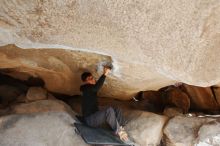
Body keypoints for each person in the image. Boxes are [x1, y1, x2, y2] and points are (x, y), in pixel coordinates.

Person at [80, 67, 129, 142]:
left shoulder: (90, 90)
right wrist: (105, 73)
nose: (93, 79)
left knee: (116, 109)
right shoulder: (86, 88)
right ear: (85, 82)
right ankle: (119, 132)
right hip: (89, 120)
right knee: (108, 111)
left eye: (92, 77)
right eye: (90, 79)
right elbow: (96, 87)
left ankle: (120, 127)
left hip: (95, 116)